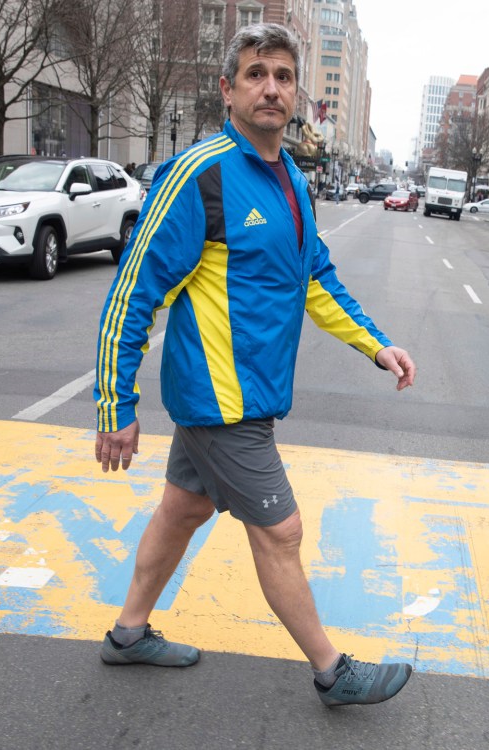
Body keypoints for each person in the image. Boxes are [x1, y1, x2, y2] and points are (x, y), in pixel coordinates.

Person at [92, 23, 417, 708]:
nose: (271, 87)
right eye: (255, 73)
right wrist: (115, 409)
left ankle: (128, 634)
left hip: (253, 396)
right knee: (282, 532)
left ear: (297, 93)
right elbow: (131, 296)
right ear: (228, 89)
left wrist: (376, 344)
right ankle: (334, 672)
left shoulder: (291, 179)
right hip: (221, 403)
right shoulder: (197, 175)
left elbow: (315, 279)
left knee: (182, 510)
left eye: (283, 76)